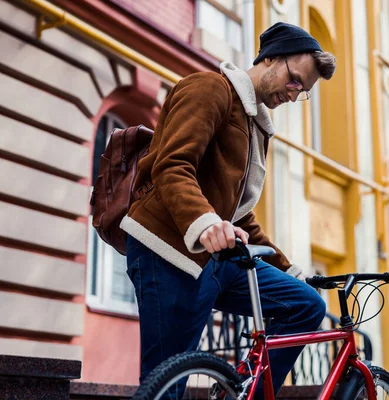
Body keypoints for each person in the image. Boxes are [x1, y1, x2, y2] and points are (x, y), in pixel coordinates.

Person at [120, 22, 337, 398]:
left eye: (303, 91)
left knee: (304, 304)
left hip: (216, 257)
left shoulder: (253, 123)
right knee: (166, 384)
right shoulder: (209, 88)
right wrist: (204, 223)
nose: (295, 92)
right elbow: (172, 165)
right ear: (270, 58)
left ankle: (241, 392)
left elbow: (237, 213)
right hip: (169, 249)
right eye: (295, 80)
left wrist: (289, 269)